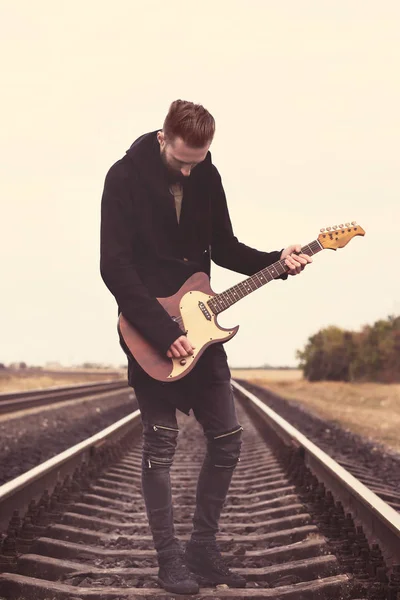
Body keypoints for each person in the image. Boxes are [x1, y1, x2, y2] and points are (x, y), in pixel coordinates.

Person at [100, 100, 312, 594]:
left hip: (204, 325)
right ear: (162, 139)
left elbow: (225, 246)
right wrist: (160, 330)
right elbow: (114, 266)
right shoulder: (124, 177)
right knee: (160, 446)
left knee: (228, 440)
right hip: (148, 332)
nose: (191, 168)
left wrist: (276, 261)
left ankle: (203, 547)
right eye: (182, 160)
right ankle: (169, 559)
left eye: (200, 158)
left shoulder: (207, 176)